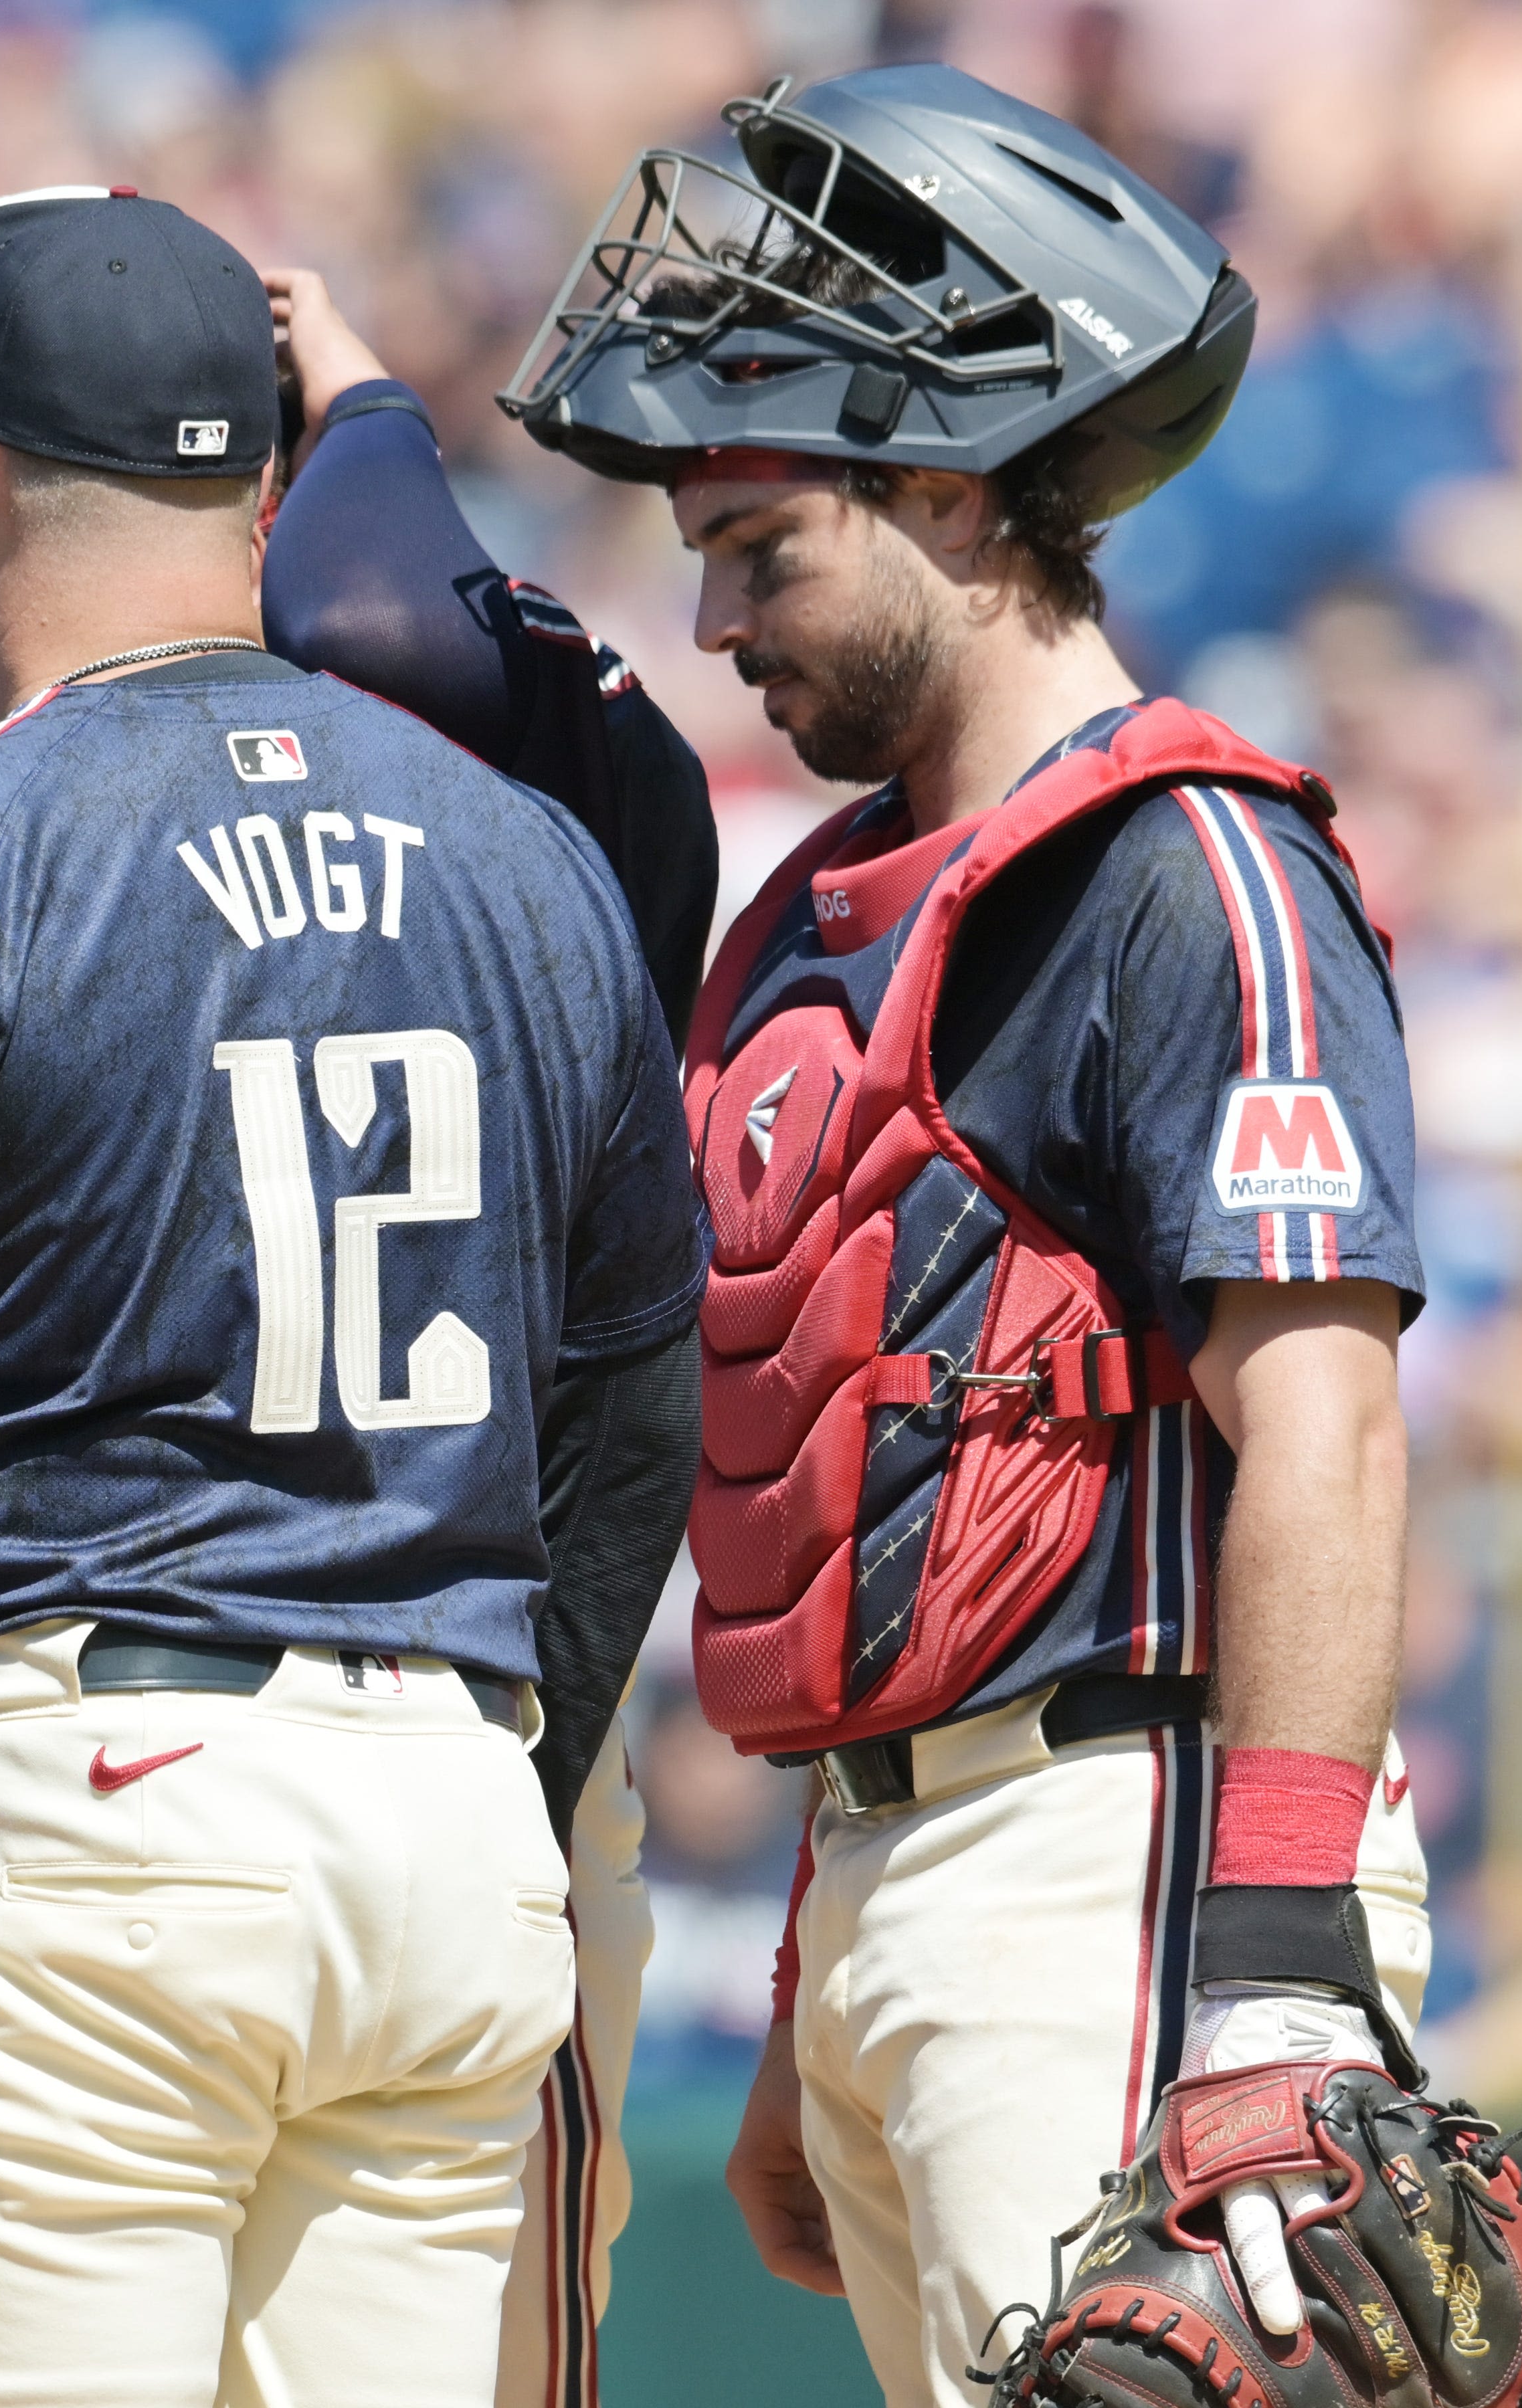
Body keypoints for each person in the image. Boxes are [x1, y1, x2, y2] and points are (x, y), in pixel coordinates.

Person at [0, 187, 706, 2408]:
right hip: (444, 1812)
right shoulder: (527, 859)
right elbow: (634, 1418)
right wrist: (520, 1771)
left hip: (77, 1814)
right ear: (260, 480)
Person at [501, 63, 1430, 2408]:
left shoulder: (1187, 866)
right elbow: (870, 1473)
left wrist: (1286, 1970)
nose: (712, 614)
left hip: (1140, 1857)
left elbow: (1316, 1431)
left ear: (944, 488)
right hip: (911, 1875)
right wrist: (829, 1941)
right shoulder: (818, 908)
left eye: (763, 542)